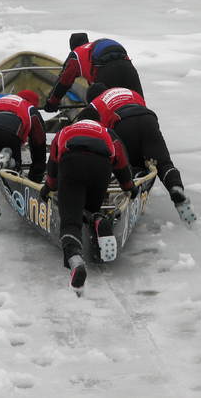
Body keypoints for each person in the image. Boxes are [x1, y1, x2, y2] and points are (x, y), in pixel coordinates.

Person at [39, 118, 138, 293]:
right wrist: (129, 187)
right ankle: (98, 219)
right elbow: (121, 164)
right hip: (101, 168)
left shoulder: (64, 131)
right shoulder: (108, 132)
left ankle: (74, 258)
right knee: (90, 208)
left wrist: (48, 188)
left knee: (71, 218)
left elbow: (53, 165)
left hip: (72, 163)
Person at [77, 84, 197, 227]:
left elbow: (93, 134)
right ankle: (175, 188)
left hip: (122, 123)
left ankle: (132, 188)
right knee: (164, 163)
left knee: (128, 166)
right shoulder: (128, 91)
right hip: (147, 118)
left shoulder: (95, 104)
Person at [0, 90, 47, 231]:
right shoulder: (30, 109)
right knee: (13, 174)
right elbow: (39, 144)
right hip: (10, 132)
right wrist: (34, 180)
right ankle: (9, 160)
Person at [43, 32, 143, 112]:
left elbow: (64, 82)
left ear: (72, 47)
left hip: (106, 71)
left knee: (108, 110)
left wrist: (52, 103)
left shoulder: (76, 54)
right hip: (128, 68)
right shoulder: (92, 48)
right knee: (140, 105)